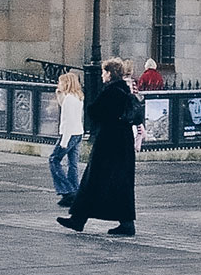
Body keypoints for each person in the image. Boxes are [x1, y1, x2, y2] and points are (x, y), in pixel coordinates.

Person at [59, 58, 139, 236]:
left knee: (93, 179)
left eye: (104, 72)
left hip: (109, 142)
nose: (102, 75)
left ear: (110, 73)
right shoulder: (124, 90)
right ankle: (124, 222)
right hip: (122, 142)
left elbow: (94, 112)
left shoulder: (111, 91)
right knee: (119, 182)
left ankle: (79, 219)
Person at [47, 70, 84, 206]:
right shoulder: (78, 96)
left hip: (68, 133)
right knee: (72, 164)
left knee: (53, 160)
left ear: (66, 83)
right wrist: (59, 95)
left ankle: (67, 189)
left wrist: (64, 141)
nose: (58, 84)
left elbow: (67, 119)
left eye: (60, 82)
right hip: (78, 132)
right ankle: (75, 190)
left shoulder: (69, 99)